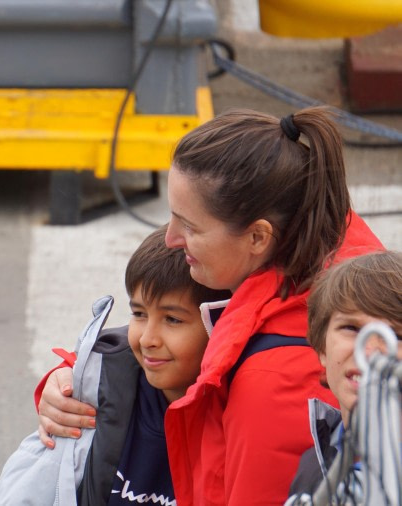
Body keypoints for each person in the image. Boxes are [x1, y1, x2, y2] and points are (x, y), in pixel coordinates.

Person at [36, 107, 385, 504]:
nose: (170, 239)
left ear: (257, 237)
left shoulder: (273, 382)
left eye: (190, 226)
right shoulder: (322, 249)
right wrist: (71, 378)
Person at [0, 227, 231, 505]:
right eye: (139, 314)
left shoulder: (239, 409)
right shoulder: (104, 390)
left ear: (219, 323)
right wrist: (65, 378)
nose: (147, 339)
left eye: (173, 320)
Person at [286, 250, 402, 502]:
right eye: (351, 328)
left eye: (397, 335)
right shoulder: (313, 463)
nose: (370, 352)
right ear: (322, 348)